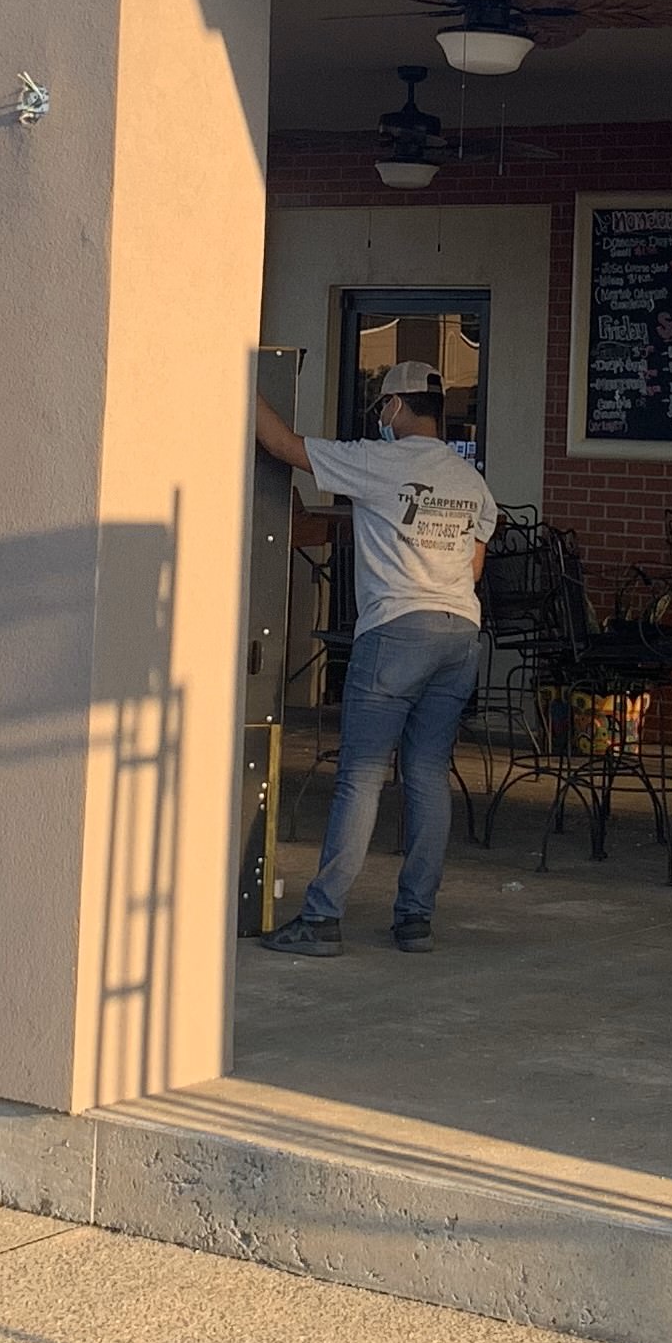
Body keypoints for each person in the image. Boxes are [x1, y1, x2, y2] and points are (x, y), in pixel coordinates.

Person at [255, 360, 499, 957]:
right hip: (459, 634)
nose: (379, 417)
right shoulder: (470, 480)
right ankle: (415, 920)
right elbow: (472, 567)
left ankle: (322, 919)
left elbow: (283, 445)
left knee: (361, 776)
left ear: (395, 406)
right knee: (427, 774)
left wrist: (234, 378)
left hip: (395, 631)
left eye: (380, 406)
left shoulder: (376, 460)